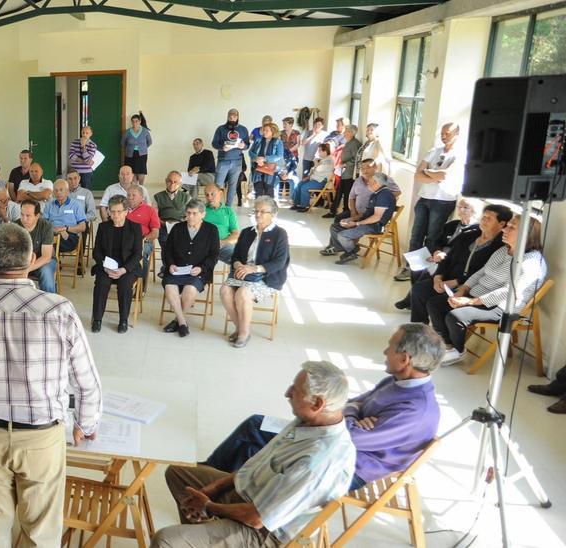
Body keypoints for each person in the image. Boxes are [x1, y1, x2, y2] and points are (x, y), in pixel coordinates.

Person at [0, 222, 102, 548]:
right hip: (42, 437)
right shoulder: (59, 310)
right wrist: (85, 422)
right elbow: (87, 382)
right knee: (41, 531)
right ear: (32, 260)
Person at [204, 324, 443, 491]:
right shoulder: (399, 380)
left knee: (256, 430)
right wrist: (353, 412)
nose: (384, 351)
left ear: (405, 359)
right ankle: (215, 485)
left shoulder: (416, 410)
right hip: (332, 438)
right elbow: (351, 403)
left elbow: (350, 437)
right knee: (257, 431)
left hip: (347, 464)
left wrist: (352, 414)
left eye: (390, 347)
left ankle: (207, 480)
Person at [156, 362, 355, 548]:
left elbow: (258, 519)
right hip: (251, 496)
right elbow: (255, 467)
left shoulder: (315, 462)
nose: (287, 393)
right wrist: (213, 489)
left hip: (266, 533)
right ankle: (200, 531)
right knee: (177, 473)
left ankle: (198, 534)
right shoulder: (308, 423)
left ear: (317, 403)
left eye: (295, 390)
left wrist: (209, 505)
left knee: (166, 540)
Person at [429, 214, 547, 365]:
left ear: (526, 234)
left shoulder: (531, 262)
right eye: (507, 225)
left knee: (455, 316)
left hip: (501, 307)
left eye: (511, 227)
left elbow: (509, 292)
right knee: (434, 303)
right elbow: (482, 271)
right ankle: (447, 344)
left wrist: (471, 302)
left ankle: (458, 351)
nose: (505, 229)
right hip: (478, 295)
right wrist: (463, 289)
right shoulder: (505, 250)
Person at [398, 202, 507, 318]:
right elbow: (448, 258)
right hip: (447, 278)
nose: (484, 220)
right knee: (418, 289)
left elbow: (482, 272)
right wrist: (438, 277)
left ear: (501, 224)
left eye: (489, 218)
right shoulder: (469, 235)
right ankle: (419, 326)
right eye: (483, 216)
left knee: (436, 302)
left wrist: (456, 282)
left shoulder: (500, 247)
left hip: (468, 285)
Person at [397, 122, 465, 281]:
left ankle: (425, 272)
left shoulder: (460, 154)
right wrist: (433, 174)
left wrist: (428, 172)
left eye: (447, 133)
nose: (443, 135)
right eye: (442, 132)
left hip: (443, 201)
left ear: (456, 134)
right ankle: (410, 268)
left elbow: (445, 175)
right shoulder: (434, 151)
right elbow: (417, 175)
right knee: (416, 236)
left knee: (433, 238)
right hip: (425, 198)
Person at [220, 198, 289, 348]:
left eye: (263, 212)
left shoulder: (279, 234)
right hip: (244, 273)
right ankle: (240, 328)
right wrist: (238, 264)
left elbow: (279, 262)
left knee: (243, 293)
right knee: (225, 290)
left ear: (273, 214)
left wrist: (254, 268)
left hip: (266, 277)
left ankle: (243, 333)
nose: (258, 214)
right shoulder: (247, 232)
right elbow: (235, 256)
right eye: (256, 211)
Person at [161, 200, 219, 337]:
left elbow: (214, 255)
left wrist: (201, 268)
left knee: (189, 290)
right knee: (169, 287)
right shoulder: (177, 228)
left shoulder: (211, 230)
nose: (190, 217)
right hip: (176, 269)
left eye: (194, 213)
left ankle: (177, 320)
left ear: (202, 214)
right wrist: (171, 264)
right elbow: (167, 251)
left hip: (198, 271)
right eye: (188, 213)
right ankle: (182, 322)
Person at [91, 196, 145, 333]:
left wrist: (124, 269)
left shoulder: (135, 228)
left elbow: (138, 253)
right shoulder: (103, 227)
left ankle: (123, 320)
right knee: (102, 283)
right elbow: (96, 251)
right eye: (112, 211)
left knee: (125, 285)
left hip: (127, 267)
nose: (115, 215)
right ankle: (97, 319)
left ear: (126, 211)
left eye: (119, 211)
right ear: (108, 211)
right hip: (107, 265)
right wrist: (104, 265)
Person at [321, 171, 395, 265]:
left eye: (370, 181)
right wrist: (351, 219)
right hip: (365, 222)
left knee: (343, 235)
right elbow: (366, 213)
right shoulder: (376, 194)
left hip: (374, 226)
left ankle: (350, 251)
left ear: (376, 183)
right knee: (335, 227)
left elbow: (376, 217)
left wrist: (356, 224)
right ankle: (351, 249)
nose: (368, 183)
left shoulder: (384, 195)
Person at [212, 108, 251, 207]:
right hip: (223, 161)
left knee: (233, 186)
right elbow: (214, 143)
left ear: (238, 117)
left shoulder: (243, 129)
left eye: (234, 116)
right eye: (230, 115)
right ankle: (215, 206)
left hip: (237, 161)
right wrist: (222, 147)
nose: (232, 117)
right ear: (227, 116)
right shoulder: (220, 129)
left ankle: (228, 208)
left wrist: (244, 146)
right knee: (217, 185)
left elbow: (247, 144)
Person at [18, 200, 57, 294]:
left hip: (43, 261)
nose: (24, 219)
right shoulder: (15, 226)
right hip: (22, 262)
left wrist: (26, 269)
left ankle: (50, 302)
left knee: (46, 273)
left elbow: (46, 257)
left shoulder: (46, 226)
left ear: (37, 216)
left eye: (28, 216)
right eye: (22, 214)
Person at [125, 185, 161, 285]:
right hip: (123, 240)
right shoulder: (122, 209)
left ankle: (141, 285)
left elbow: (155, 233)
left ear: (141, 197)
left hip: (143, 240)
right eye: (128, 195)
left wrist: (143, 239)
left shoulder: (150, 210)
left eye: (133, 195)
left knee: (141, 255)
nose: (130, 197)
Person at [45, 179, 88, 255]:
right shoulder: (49, 205)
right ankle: (53, 263)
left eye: (61, 190)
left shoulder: (76, 205)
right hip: (52, 233)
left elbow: (83, 227)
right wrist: (58, 231)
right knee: (44, 239)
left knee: (48, 242)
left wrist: (65, 229)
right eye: (56, 190)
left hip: (70, 236)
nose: (58, 193)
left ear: (67, 191)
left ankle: (52, 263)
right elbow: (44, 224)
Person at [289, 143, 335, 212]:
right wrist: (309, 176)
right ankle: (297, 204)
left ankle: (304, 206)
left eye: (319, 150)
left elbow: (318, 170)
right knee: (300, 184)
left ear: (325, 152)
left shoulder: (329, 160)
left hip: (321, 182)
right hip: (314, 179)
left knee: (304, 187)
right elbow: (312, 170)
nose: (318, 152)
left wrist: (316, 164)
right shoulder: (322, 159)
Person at [202, 184, 240, 264]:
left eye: (212, 194)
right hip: (204, 246)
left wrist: (222, 242)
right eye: (207, 195)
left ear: (220, 194)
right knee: (202, 264)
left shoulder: (228, 211)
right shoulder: (201, 210)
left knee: (239, 261)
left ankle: (232, 276)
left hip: (224, 245)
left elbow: (236, 235)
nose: (209, 197)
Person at [330, 124, 362, 218]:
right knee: (339, 192)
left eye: (347, 132)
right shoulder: (348, 142)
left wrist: (345, 164)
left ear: (352, 133)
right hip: (344, 172)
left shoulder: (355, 143)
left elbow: (356, 158)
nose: (344, 134)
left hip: (350, 173)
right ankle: (333, 211)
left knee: (347, 194)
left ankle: (345, 213)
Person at [154, 171, 192, 243]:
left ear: (180, 184)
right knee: (166, 245)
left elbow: (190, 214)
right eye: (170, 181)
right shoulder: (157, 197)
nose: (172, 184)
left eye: (175, 182)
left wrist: (181, 223)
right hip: (163, 226)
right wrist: (163, 223)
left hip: (181, 226)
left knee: (182, 246)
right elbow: (154, 215)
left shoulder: (187, 197)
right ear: (166, 181)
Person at [248, 123, 283, 199]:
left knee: (269, 190)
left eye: (267, 130)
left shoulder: (278, 142)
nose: (264, 132)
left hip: (270, 169)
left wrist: (265, 159)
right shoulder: (258, 140)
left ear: (273, 132)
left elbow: (279, 156)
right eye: (264, 130)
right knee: (258, 190)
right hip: (258, 168)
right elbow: (250, 152)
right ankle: (259, 209)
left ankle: (269, 210)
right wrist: (257, 158)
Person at [123, 113, 153, 184]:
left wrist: (143, 148)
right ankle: (134, 187)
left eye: (136, 121)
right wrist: (128, 148)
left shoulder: (145, 131)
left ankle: (141, 188)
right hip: (130, 155)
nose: (134, 123)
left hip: (142, 155)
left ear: (140, 121)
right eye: (133, 121)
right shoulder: (127, 132)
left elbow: (150, 142)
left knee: (141, 172)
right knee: (131, 172)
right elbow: (123, 143)